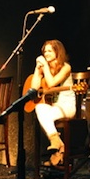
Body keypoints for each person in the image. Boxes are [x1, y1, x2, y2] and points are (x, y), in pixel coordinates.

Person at [30, 39, 76, 167]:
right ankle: (57, 142)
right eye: (45, 51)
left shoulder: (66, 67)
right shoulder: (46, 68)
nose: (46, 54)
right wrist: (36, 69)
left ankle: (59, 147)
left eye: (50, 51)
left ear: (57, 52)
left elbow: (51, 84)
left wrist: (44, 66)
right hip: (54, 107)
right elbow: (33, 88)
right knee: (39, 108)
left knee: (44, 115)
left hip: (67, 106)